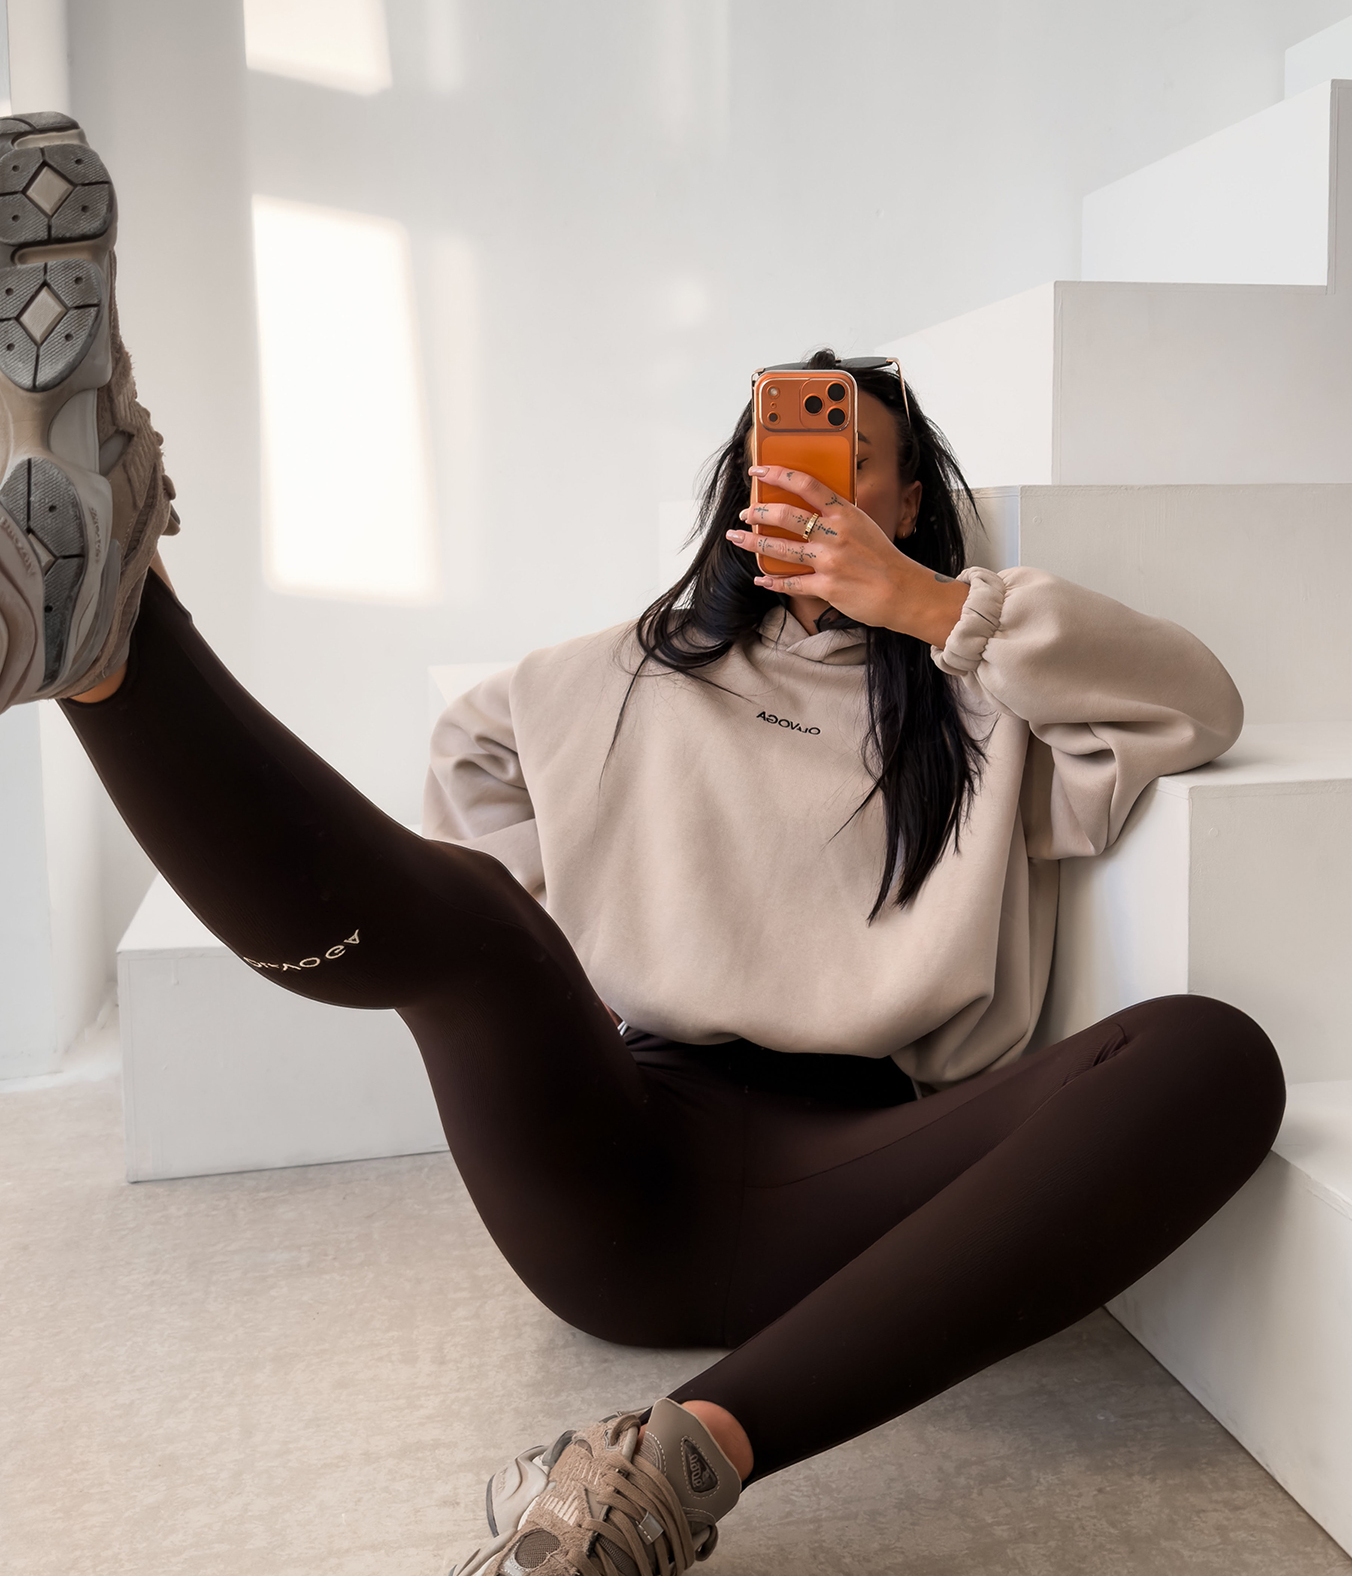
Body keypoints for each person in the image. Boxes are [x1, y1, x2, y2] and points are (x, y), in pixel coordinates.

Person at [0, 112, 1285, 1576]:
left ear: (912, 498)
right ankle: (118, 644)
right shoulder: (627, 675)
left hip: (868, 1183)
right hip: (607, 1159)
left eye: (848, 460)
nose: (809, 486)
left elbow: (1199, 705)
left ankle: (676, 1464)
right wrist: (577, 940)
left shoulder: (983, 704)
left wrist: (930, 608)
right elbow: (473, 758)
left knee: (1213, 1054)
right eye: (777, 460)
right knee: (484, 923)